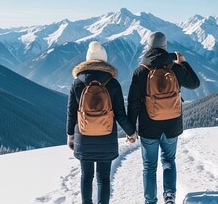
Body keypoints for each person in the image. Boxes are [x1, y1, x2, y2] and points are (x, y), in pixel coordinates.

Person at [127, 32, 200, 204]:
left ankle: (150, 201)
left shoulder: (140, 71)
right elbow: (195, 83)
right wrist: (183, 63)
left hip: (148, 127)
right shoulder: (174, 68)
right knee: (168, 160)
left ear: (148, 47)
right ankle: (169, 196)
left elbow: (133, 103)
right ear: (165, 47)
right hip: (172, 125)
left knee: (149, 167)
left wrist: (131, 130)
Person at [67, 41, 138, 204]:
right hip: (106, 138)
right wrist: (131, 132)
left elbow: (71, 114)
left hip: (83, 137)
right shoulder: (112, 83)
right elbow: (120, 114)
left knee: (86, 177)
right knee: (103, 179)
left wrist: (70, 136)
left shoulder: (77, 83)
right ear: (104, 60)